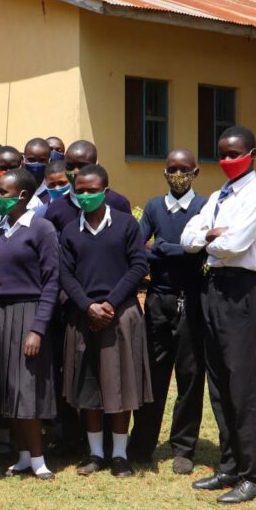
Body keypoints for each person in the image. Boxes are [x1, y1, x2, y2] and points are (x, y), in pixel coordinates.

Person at [181, 125, 256, 504]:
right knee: (218, 381)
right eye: (221, 154)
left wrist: (210, 238)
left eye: (234, 154)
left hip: (243, 291)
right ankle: (230, 465)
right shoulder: (219, 194)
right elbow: (188, 239)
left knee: (243, 383)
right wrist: (210, 236)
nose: (227, 160)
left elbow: (236, 244)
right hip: (214, 288)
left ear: (252, 154)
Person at [59, 164, 151, 478]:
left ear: (106, 191)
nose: (85, 195)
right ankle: (96, 453)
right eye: (80, 190)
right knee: (89, 386)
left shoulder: (126, 224)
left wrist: (110, 303)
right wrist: (88, 306)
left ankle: (120, 455)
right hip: (84, 315)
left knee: (120, 384)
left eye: (92, 190)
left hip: (120, 314)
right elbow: (65, 274)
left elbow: (138, 265)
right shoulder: (70, 230)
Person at [128, 149, 207, 475]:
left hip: (192, 300)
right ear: (164, 172)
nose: (178, 175)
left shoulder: (205, 207)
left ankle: (184, 448)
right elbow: (138, 246)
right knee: (153, 373)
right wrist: (182, 251)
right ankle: (142, 443)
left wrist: (160, 247)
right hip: (158, 300)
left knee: (190, 375)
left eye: (184, 169)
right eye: (172, 169)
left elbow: (203, 251)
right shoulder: (154, 207)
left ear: (195, 172)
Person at [0, 168, 60, 476]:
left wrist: (37, 328)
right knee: (7, 386)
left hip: (28, 312)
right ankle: (24, 455)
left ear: (22, 196)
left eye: (2, 193)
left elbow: (52, 281)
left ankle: (39, 460)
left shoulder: (41, 229)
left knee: (26, 388)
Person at [44, 140, 131, 234]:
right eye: (69, 166)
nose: (75, 172)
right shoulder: (56, 208)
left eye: (82, 166)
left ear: (96, 166)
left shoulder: (118, 203)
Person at [22, 138, 52, 211]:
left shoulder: (53, 191)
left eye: (42, 160)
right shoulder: (15, 189)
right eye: (31, 160)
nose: (36, 164)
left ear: (49, 161)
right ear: (23, 159)